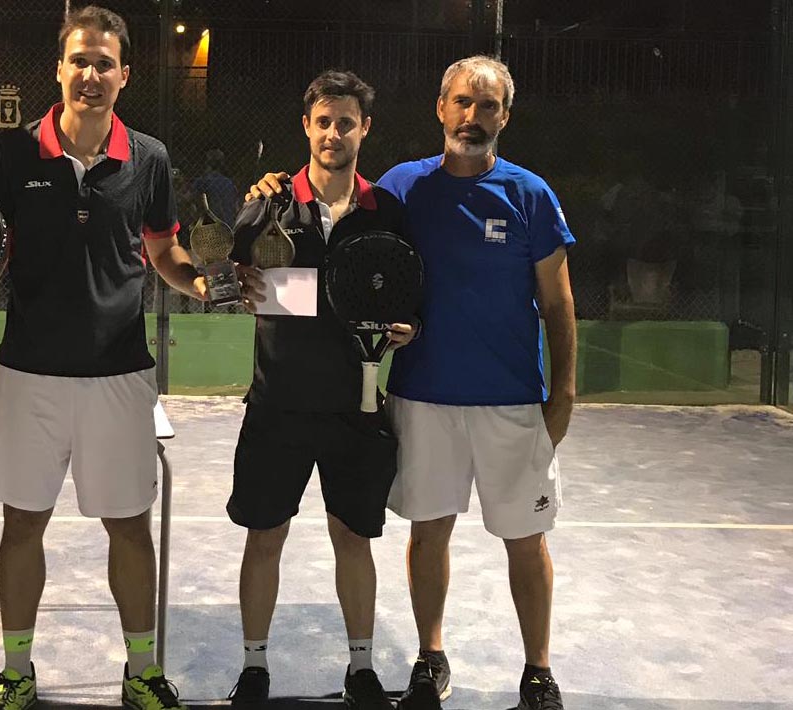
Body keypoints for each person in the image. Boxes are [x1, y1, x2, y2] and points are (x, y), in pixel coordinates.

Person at [251, 55, 577, 710]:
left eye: (487, 106)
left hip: (513, 401)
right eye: (461, 102)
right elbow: (335, 201)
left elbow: (559, 304)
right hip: (422, 397)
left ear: (504, 117)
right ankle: (430, 658)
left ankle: (538, 671)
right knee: (428, 534)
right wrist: (272, 189)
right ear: (440, 108)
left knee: (525, 540)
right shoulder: (401, 189)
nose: (472, 116)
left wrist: (563, 394)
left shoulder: (531, 196)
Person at [0, 6, 205, 710]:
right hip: (29, 370)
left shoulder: (150, 158)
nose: (91, 74)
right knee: (23, 523)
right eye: (80, 60)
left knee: (129, 526)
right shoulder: (13, 156)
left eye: (105, 63)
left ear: (124, 76)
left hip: (119, 373)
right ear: (59, 69)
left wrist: (197, 280)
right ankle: (17, 671)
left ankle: (140, 672)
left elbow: (163, 247)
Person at [225, 70, 415, 709]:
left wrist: (408, 327)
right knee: (264, 536)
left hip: (355, 410)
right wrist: (236, 282)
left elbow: (410, 294)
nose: (334, 133)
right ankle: (254, 667)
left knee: (352, 539)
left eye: (347, 122)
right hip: (276, 404)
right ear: (306, 127)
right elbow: (234, 277)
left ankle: (361, 670)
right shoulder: (269, 204)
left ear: (365, 129)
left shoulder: (386, 212)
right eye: (323, 121)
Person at [192, 147, 239, 227]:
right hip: (228, 225)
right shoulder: (229, 183)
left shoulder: (202, 182)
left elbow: (195, 204)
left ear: (206, 162)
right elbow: (235, 207)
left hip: (208, 225)